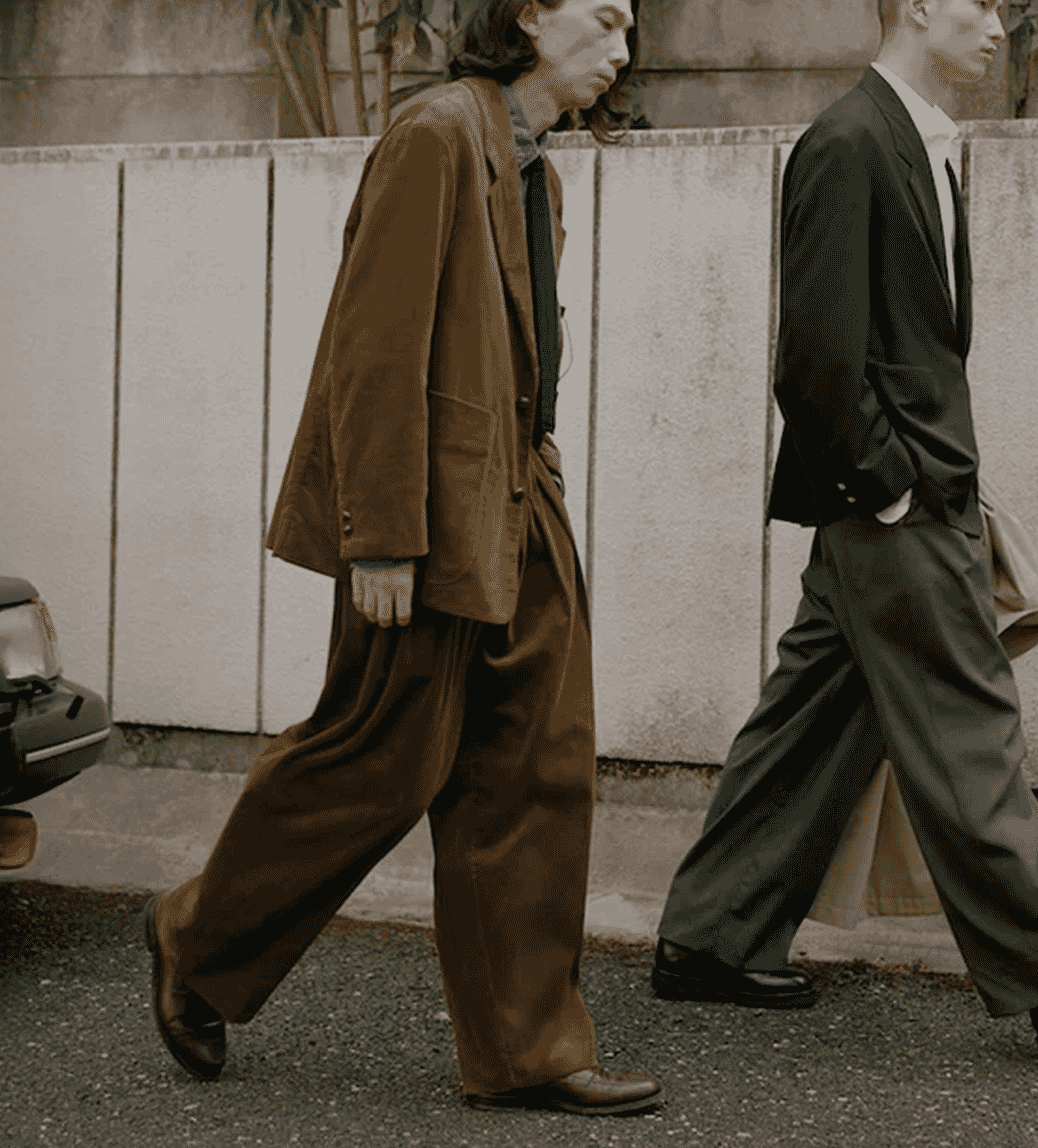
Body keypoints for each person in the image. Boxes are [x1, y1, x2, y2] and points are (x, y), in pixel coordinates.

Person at [651, 0, 1038, 1063]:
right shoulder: (848, 143)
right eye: (978, 2)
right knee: (967, 732)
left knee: (812, 722)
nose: (998, 24)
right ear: (912, 5)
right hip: (893, 505)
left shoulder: (910, 140)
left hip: (906, 497)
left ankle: (711, 937)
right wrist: (892, 487)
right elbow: (814, 358)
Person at [142, 0, 662, 1116]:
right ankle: (196, 934)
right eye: (607, 18)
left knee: (536, 769)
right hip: (428, 516)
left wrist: (540, 474)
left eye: (633, 28)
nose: (623, 50)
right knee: (377, 757)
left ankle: (528, 1049)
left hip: (518, 499)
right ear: (531, 14)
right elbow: (373, 345)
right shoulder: (436, 135)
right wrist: (380, 534)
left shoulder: (533, 169)